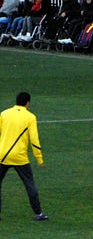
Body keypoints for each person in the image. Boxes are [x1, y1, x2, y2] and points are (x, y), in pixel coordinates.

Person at [0, 92, 48, 221]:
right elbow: (34, 139)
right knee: (29, 184)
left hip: (2, 155)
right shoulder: (30, 117)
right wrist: (39, 158)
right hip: (19, 157)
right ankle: (38, 213)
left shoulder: (4, 114)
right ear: (27, 103)